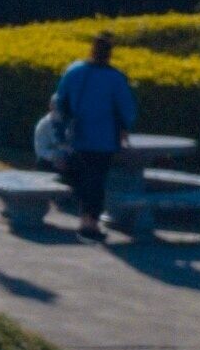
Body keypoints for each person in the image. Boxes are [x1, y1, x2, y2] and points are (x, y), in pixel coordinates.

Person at [52, 32, 139, 240]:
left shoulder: (74, 71)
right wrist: (124, 128)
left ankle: (84, 220)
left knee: (82, 180)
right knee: (97, 182)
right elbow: (127, 109)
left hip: (77, 136)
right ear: (110, 54)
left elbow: (59, 99)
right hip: (104, 139)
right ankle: (90, 225)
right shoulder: (115, 77)